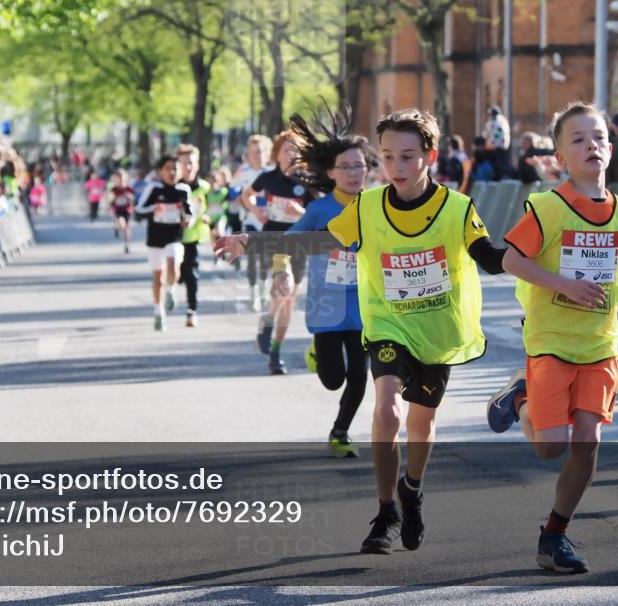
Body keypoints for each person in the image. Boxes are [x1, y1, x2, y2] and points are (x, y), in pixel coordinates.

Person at [217, 108, 507, 554]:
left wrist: (541, 257)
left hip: (435, 329)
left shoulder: (457, 207)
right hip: (386, 323)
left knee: (421, 423)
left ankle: (412, 490)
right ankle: (386, 509)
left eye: (407, 156)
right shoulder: (366, 207)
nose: (397, 167)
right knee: (387, 409)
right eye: (388, 157)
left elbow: (489, 257)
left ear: (429, 155)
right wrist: (253, 242)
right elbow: (317, 240)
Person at [488, 101, 618, 574]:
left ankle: (554, 536)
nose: (593, 145)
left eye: (599, 137)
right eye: (579, 139)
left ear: (609, 147)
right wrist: (563, 284)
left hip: (601, 343)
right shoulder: (548, 207)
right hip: (550, 340)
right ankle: (519, 397)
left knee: (587, 442)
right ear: (561, 156)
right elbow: (511, 260)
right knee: (550, 447)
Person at [282, 109, 375, 457]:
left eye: (359, 165)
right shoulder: (320, 211)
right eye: (346, 167)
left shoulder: (378, 206)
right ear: (331, 172)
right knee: (332, 378)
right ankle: (317, 353)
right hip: (328, 304)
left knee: (359, 375)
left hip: (365, 304)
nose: (354, 173)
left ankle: (340, 431)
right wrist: (284, 271)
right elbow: (289, 242)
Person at [244, 130, 315, 374]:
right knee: (282, 285)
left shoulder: (307, 181)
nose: (291, 153)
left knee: (287, 301)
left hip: (298, 242)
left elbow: (315, 216)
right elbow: (247, 195)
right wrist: (255, 211)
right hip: (273, 239)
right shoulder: (267, 178)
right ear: (277, 153)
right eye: (287, 149)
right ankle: (268, 324)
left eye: (296, 149)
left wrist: (301, 214)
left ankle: (275, 349)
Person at [134, 155, 193, 332]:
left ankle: (171, 290)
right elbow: (138, 210)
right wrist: (154, 209)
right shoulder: (153, 188)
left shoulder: (183, 190)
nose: (172, 172)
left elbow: (190, 212)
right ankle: (158, 312)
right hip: (155, 239)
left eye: (175, 168)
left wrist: (188, 220)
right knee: (158, 276)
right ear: (160, 171)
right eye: (168, 168)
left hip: (174, 236)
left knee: (173, 265)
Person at [233, 135, 273, 311]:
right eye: (252, 152)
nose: (256, 155)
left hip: (267, 220)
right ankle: (253, 295)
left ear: (267, 153)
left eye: (260, 151)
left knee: (264, 259)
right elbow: (233, 194)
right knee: (251, 258)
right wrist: (245, 202)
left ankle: (263, 291)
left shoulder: (272, 172)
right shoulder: (242, 172)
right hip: (249, 219)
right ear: (248, 154)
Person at [177, 144, 211, 328]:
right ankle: (171, 293)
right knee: (177, 274)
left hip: (194, 235)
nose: (187, 167)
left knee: (192, 273)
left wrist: (208, 218)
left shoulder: (205, 187)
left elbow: (215, 209)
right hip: (174, 236)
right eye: (183, 163)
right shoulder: (173, 187)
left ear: (197, 164)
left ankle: (192, 309)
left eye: (190, 163)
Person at [108, 168, 135, 253]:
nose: (121, 181)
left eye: (122, 179)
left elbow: (133, 202)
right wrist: (110, 205)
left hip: (127, 210)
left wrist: (130, 199)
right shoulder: (113, 190)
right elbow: (109, 200)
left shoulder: (129, 189)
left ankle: (127, 245)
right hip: (117, 210)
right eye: (118, 179)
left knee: (127, 228)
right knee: (121, 223)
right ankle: (117, 227)